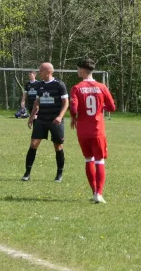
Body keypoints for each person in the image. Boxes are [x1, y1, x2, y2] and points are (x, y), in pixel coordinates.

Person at [70, 58, 116, 204]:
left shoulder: (77, 88)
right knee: (100, 161)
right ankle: (99, 193)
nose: (77, 71)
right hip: (97, 130)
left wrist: (74, 117)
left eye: (78, 69)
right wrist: (100, 107)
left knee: (88, 159)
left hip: (83, 131)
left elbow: (74, 108)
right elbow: (112, 108)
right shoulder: (102, 87)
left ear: (83, 70)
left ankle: (93, 191)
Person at [23, 63, 69, 182]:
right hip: (41, 119)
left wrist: (60, 116)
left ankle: (59, 175)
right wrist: (31, 116)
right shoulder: (39, 85)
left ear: (48, 72)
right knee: (33, 144)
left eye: (41, 71)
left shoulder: (59, 85)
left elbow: (66, 103)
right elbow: (37, 103)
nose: (39, 73)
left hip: (55, 121)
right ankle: (27, 173)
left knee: (58, 146)